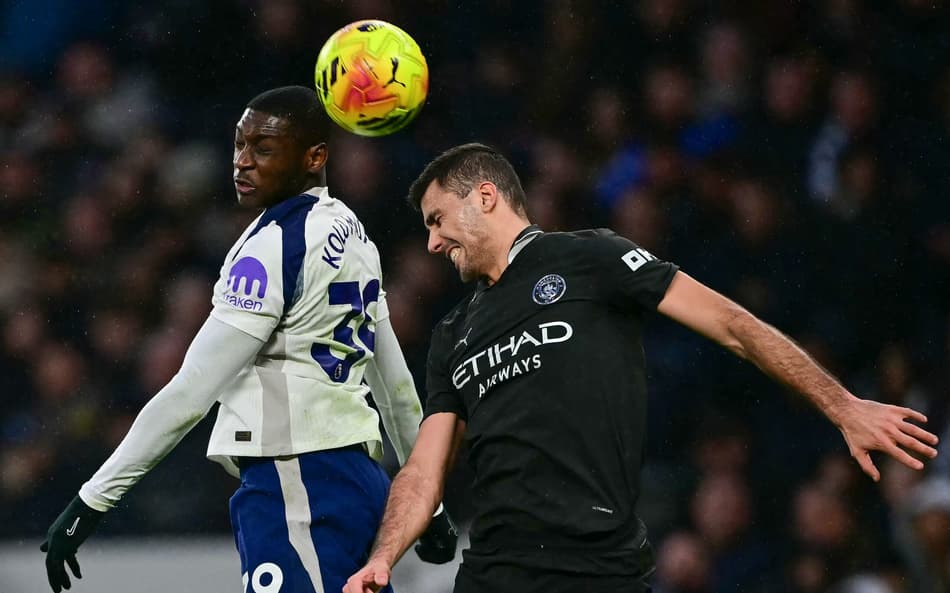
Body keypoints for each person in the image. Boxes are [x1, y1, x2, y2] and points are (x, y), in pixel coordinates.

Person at [344, 142, 941, 593]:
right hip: (494, 572)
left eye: (437, 219)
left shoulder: (590, 258)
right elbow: (423, 471)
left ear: (485, 197)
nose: (432, 243)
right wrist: (383, 558)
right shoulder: (452, 333)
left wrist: (842, 405)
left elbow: (733, 324)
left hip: (597, 566)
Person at [40, 86, 456, 593]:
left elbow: (192, 390)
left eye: (263, 148)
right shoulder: (356, 236)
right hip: (357, 482)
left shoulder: (272, 248)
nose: (242, 161)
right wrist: (428, 503)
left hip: (295, 482)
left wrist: (92, 500)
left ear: (314, 157)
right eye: (239, 144)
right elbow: (395, 390)